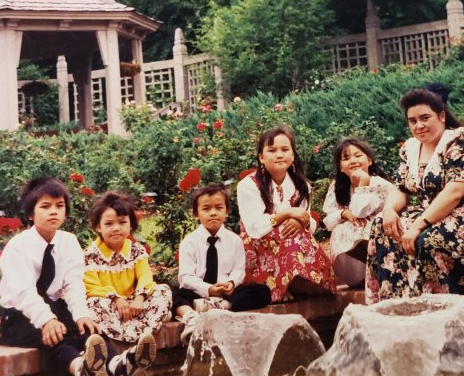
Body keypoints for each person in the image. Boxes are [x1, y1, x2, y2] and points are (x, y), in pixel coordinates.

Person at [0, 178, 155, 376]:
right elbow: (23, 292)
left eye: (59, 206)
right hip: (17, 316)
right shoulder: (18, 247)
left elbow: (73, 284)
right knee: (55, 334)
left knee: (87, 327)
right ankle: (81, 369)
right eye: (45, 206)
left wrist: (82, 314)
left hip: (53, 306)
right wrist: (46, 320)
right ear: (31, 214)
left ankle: (117, 367)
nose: (54, 211)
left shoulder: (68, 241)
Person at [367, 86, 464, 304]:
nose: (419, 126)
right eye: (413, 121)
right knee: (381, 226)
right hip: (435, 212)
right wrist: (389, 210)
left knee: (427, 239)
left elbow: (454, 193)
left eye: (425, 118)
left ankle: (444, 301)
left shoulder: (459, 142)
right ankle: (398, 302)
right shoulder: (411, 149)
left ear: (441, 116)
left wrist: (417, 225)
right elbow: (402, 188)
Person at [237, 126, 336, 302]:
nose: (279, 155)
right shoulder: (249, 185)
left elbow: (307, 220)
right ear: (261, 157)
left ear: (293, 156)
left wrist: (301, 221)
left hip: (293, 238)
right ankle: (284, 285)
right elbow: (254, 227)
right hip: (259, 244)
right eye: (272, 150)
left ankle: (300, 281)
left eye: (285, 150)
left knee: (296, 233)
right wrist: (286, 214)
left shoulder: (302, 186)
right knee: (287, 233)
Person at [173, 184, 272, 343]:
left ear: (227, 212)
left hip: (226, 293)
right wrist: (208, 289)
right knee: (174, 296)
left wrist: (231, 283)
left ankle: (219, 307)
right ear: (196, 214)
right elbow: (186, 277)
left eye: (219, 208)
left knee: (262, 292)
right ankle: (192, 317)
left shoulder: (235, 240)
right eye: (206, 209)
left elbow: (238, 270)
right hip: (198, 293)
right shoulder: (189, 242)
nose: (213, 213)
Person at [84, 192, 172, 343]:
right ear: (98, 227)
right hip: (110, 306)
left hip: (134, 305)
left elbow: (145, 276)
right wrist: (116, 299)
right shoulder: (91, 254)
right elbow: (91, 286)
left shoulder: (136, 250)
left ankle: (138, 331)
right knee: (93, 303)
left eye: (122, 222)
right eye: (108, 224)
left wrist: (139, 298)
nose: (116, 228)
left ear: (131, 225)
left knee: (162, 290)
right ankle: (135, 332)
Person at [322, 137, 394, 287]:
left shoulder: (379, 184)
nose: (353, 161)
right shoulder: (337, 187)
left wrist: (363, 183)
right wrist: (343, 214)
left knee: (364, 226)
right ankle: (363, 275)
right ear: (341, 167)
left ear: (369, 160)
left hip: (383, 239)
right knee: (341, 229)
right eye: (346, 158)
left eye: (358, 155)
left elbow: (360, 211)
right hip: (355, 257)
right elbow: (328, 222)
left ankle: (381, 272)